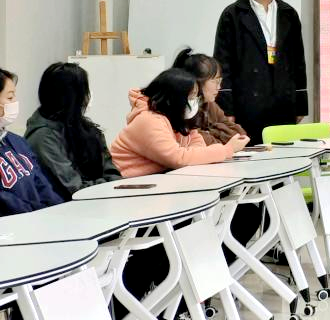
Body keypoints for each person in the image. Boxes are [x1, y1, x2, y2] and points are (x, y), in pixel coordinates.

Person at [214, 0, 308, 142]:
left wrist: (301, 104)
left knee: (284, 153)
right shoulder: (232, 14)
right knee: (251, 153)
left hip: (283, 100)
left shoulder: (289, 13)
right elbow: (223, 64)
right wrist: (226, 109)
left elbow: (298, 61)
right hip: (248, 102)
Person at [110, 68, 249, 177]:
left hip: (157, 181)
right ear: (173, 98)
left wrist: (194, 155)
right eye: (191, 97)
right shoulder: (149, 120)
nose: (195, 102)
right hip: (126, 185)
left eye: (196, 96)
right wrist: (227, 150)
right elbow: (178, 158)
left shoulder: (180, 118)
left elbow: (196, 146)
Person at [25, 61, 121, 199]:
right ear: (72, 96)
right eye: (85, 90)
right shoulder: (43, 137)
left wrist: (112, 186)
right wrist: (108, 186)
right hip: (69, 206)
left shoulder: (86, 128)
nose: (88, 96)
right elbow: (75, 188)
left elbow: (112, 173)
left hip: (100, 199)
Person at [0, 68, 63, 215]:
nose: (15, 102)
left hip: (40, 220)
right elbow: (5, 202)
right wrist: (36, 214)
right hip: (17, 225)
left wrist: (59, 212)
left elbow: (41, 183)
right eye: (10, 97)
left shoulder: (17, 141)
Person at [172, 48, 246, 145]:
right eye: (215, 81)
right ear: (197, 82)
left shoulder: (210, 104)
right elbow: (197, 141)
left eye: (220, 81)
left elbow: (240, 134)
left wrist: (210, 132)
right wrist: (219, 133)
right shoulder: (184, 109)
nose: (219, 87)